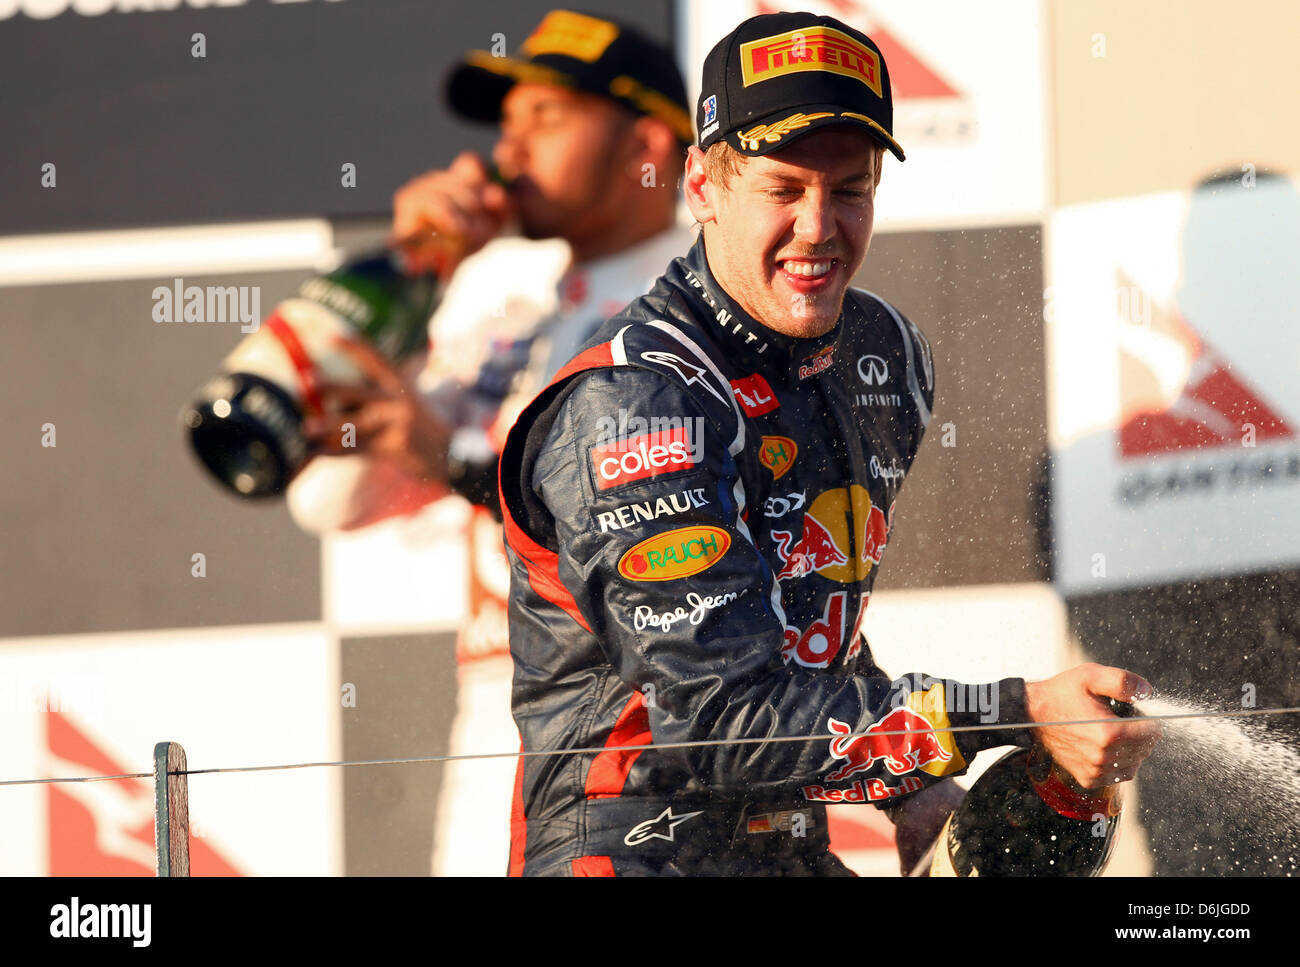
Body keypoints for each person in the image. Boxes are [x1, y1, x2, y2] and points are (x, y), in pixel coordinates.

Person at [497, 11, 1162, 876]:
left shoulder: (883, 355)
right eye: (783, 189)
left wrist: (907, 788)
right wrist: (1016, 711)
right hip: (630, 844)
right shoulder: (635, 401)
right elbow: (720, 719)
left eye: (850, 190)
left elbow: (808, 626)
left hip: (788, 842)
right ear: (702, 184)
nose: (819, 228)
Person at [281, 10, 696, 875]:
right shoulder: (511, 323)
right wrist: (417, 267)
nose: (508, 152)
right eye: (505, 129)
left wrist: (460, 462)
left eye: (543, 120)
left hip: (645, 735)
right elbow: (324, 494)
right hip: (495, 725)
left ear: (645, 143)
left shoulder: (700, 311)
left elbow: (636, 527)